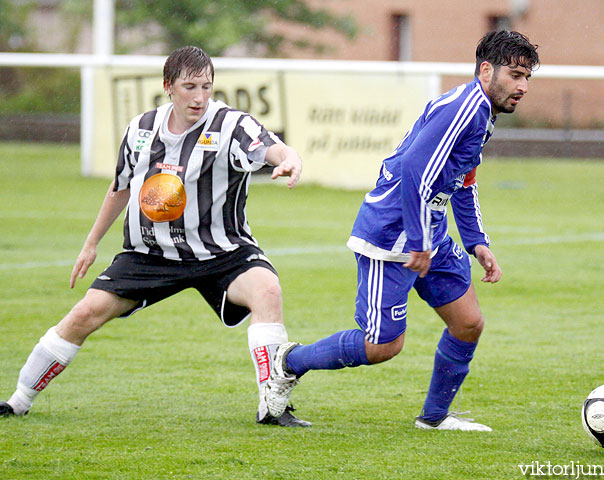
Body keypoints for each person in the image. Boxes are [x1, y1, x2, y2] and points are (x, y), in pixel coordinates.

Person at [1, 46, 310, 427]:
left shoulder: (231, 124)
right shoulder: (142, 128)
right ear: (168, 87)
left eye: (206, 87)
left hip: (223, 251)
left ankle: (272, 407)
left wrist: (290, 159)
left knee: (267, 291)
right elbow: (121, 187)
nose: (199, 97)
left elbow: (271, 147)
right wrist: (92, 242)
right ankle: (18, 400)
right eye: (189, 87)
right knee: (85, 313)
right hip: (150, 253)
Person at [265, 30, 539, 430]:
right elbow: (414, 168)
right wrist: (418, 241)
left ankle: (434, 418)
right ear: (485, 69)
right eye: (515, 75)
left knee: (468, 323)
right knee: (383, 346)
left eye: (527, 77)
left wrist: (476, 241)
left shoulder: (482, 112)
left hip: (429, 234)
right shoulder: (464, 108)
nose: (523, 86)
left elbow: (464, 178)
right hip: (391, 236)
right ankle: (289, 362)